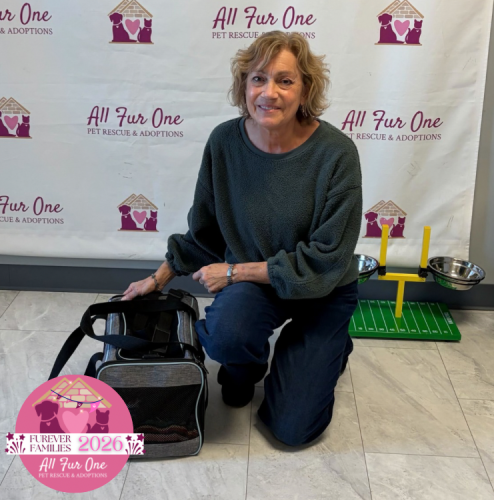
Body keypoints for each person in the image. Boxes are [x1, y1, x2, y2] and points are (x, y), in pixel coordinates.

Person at [122, 31, 362, 447]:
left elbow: (326, 260)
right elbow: (204, 231)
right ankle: (245, 369)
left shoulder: (336, 153)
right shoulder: (224, 143)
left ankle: (331, 346)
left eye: (285, 81)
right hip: (258, 286)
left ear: (305, 90)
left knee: (292, 431)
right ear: (244, 86)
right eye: (258, 79)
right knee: (227, 335)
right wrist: (158, 279)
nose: (269, 92)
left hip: (323, 290)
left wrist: (234, 272)